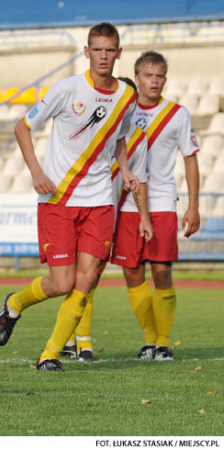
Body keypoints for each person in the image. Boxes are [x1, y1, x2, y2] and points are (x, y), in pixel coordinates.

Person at [0, 22, 139, 372]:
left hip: (100, 199)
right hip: (58, 198)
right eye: (97, 50)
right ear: (86, 52)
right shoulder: (65, 89)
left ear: (118, 53)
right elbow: (21, 127)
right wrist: (36, 173)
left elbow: (118, 137)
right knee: (62, 283)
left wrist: (126, 168)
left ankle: (49, 354)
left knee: (86, 281)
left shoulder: (127, 97)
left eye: (110, 50)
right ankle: (14, 304)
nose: (103, 56)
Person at [110, 51, 200, 361]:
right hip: (126, 205)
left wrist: (193, 205)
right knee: (132, 274)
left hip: (162, 202)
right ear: (136, 78)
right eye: (148, 75)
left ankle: (163, 342)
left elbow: (190, 160)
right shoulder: (125, 113)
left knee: (161, 271)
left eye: (160, 76)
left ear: (165, 78)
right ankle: (149, 341)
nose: (155, 81)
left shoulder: (178, 114)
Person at [60, 77, 153, 362]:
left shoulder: (137, 138)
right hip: (73, 207)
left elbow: (139, 181)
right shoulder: (90, 126)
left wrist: (144, 217)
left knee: (89, 277)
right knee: (72, 277)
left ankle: (80, 343)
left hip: (102, 214)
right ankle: (73, 341)